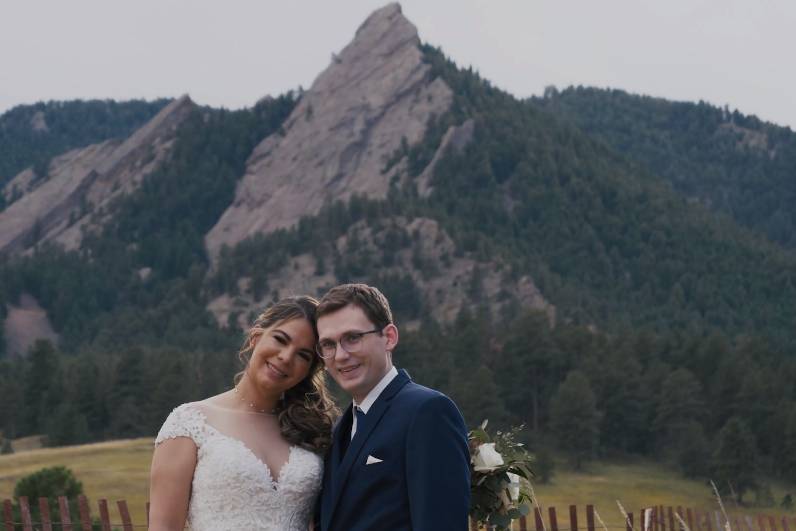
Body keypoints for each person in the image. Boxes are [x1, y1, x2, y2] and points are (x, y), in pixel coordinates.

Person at [149, 296, 337, 531]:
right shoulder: (190, 423)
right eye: (280, 340)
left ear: (308, 371)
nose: (286, 357)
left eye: (303, 355)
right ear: (255, 337)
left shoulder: (311, 432)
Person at [316, 283, 470, 531]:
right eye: (328, 344)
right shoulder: (339, 429)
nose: (340, 355)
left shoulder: (428, 411)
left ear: (389, 337)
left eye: (352, 338)